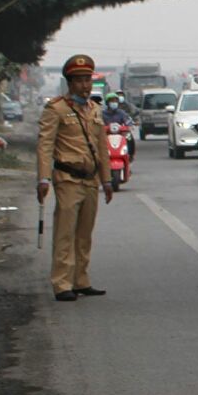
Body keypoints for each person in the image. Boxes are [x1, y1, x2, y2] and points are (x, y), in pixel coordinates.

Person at [37, 55, 115, 302]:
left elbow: (102, 146)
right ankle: (62, 283)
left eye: (88, 80)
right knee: (65, 232)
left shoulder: (94, 109)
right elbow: (45, 145)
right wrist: (43, 179)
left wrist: (107, 179)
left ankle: (81, 280)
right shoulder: (56, 109)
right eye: (80, 80)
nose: (85, 85)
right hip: (68, 178)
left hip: (90, 179)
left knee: (85, 233)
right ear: (70, 82)